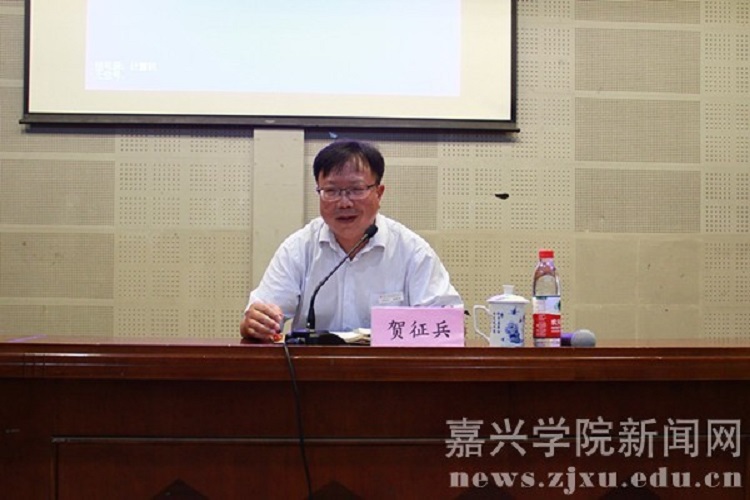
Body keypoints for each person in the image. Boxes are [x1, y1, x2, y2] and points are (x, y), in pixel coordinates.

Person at [240, 139, 462, 342]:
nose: (344, 203)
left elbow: (449, 325)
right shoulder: (298, 248)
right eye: (331, 191)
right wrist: (257, 323)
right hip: (313, 370)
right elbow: (261, 317)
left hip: (389, 370)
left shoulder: (412, 251)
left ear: (379, 193)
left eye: (356, 190)